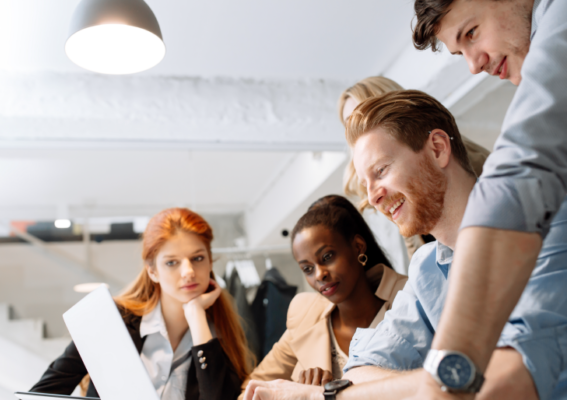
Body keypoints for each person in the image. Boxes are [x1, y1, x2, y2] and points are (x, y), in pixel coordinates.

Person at [242, 91, 567, 400]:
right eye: (366, 184)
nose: (372, 197)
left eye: (381, 171)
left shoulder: (544, 219)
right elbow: (360, 371)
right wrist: (442, 379)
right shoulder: (427, 268)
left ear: (438, 149)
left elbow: (506, 381)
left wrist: (323, 395)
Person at [408, 0, 567, 398]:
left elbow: (521, 170)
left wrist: (448, 370)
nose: (474, 66)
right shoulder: (424, 266)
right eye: (460, 53)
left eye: (472, 33)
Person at [30, 208, 252, 400]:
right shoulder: (111, 320)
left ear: (210, 261)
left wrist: (196, 315)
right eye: (172, 262)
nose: (188, 272)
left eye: (198, 258)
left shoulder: (219, 338)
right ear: (152, 271)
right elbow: (42, 393)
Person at [239, 195, 407, 398]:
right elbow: (250, 389)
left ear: (358, 247)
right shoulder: (305, 314)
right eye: (307, 268)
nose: (319, 275)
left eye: (327, 257)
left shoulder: (408, 301)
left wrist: (320, 394)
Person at [337, 76, 489, 260]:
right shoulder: (424, 265)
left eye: (382, 169)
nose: (373, 198)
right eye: (348, 123)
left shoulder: (468, 169)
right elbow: (415, 247)